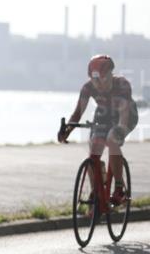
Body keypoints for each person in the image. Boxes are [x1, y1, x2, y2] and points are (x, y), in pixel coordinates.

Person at [58, 54, 138, 205]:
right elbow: (77, 113)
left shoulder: (122, 84)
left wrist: (120, 128)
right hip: (103, 115)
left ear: (110, 74)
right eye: (95, 80)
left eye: (103, 79)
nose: (99, 84)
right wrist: (67, 130)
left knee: (112, 139)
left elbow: (124, 110)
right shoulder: (87, 88)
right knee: (94, 150)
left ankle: (119, 188)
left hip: (126, 115)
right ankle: (97, 191)